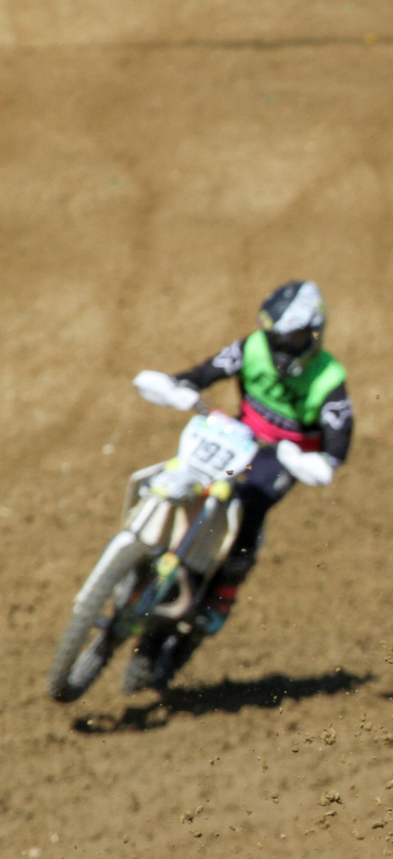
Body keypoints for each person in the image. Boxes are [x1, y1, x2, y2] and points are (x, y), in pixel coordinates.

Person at [130, 281, 353, 677]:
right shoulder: (253, 347)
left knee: (250, 502)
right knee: (191, 478)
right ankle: (149, 556)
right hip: (239, 438)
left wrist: (318, 462)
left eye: (291, 338)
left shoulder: (328, 379)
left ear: (313, 333)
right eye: (275, 336)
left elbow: (337, 446)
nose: (279, 346)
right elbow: (202, 373)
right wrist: (177, 386)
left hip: (283, 456)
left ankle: (222, 591)